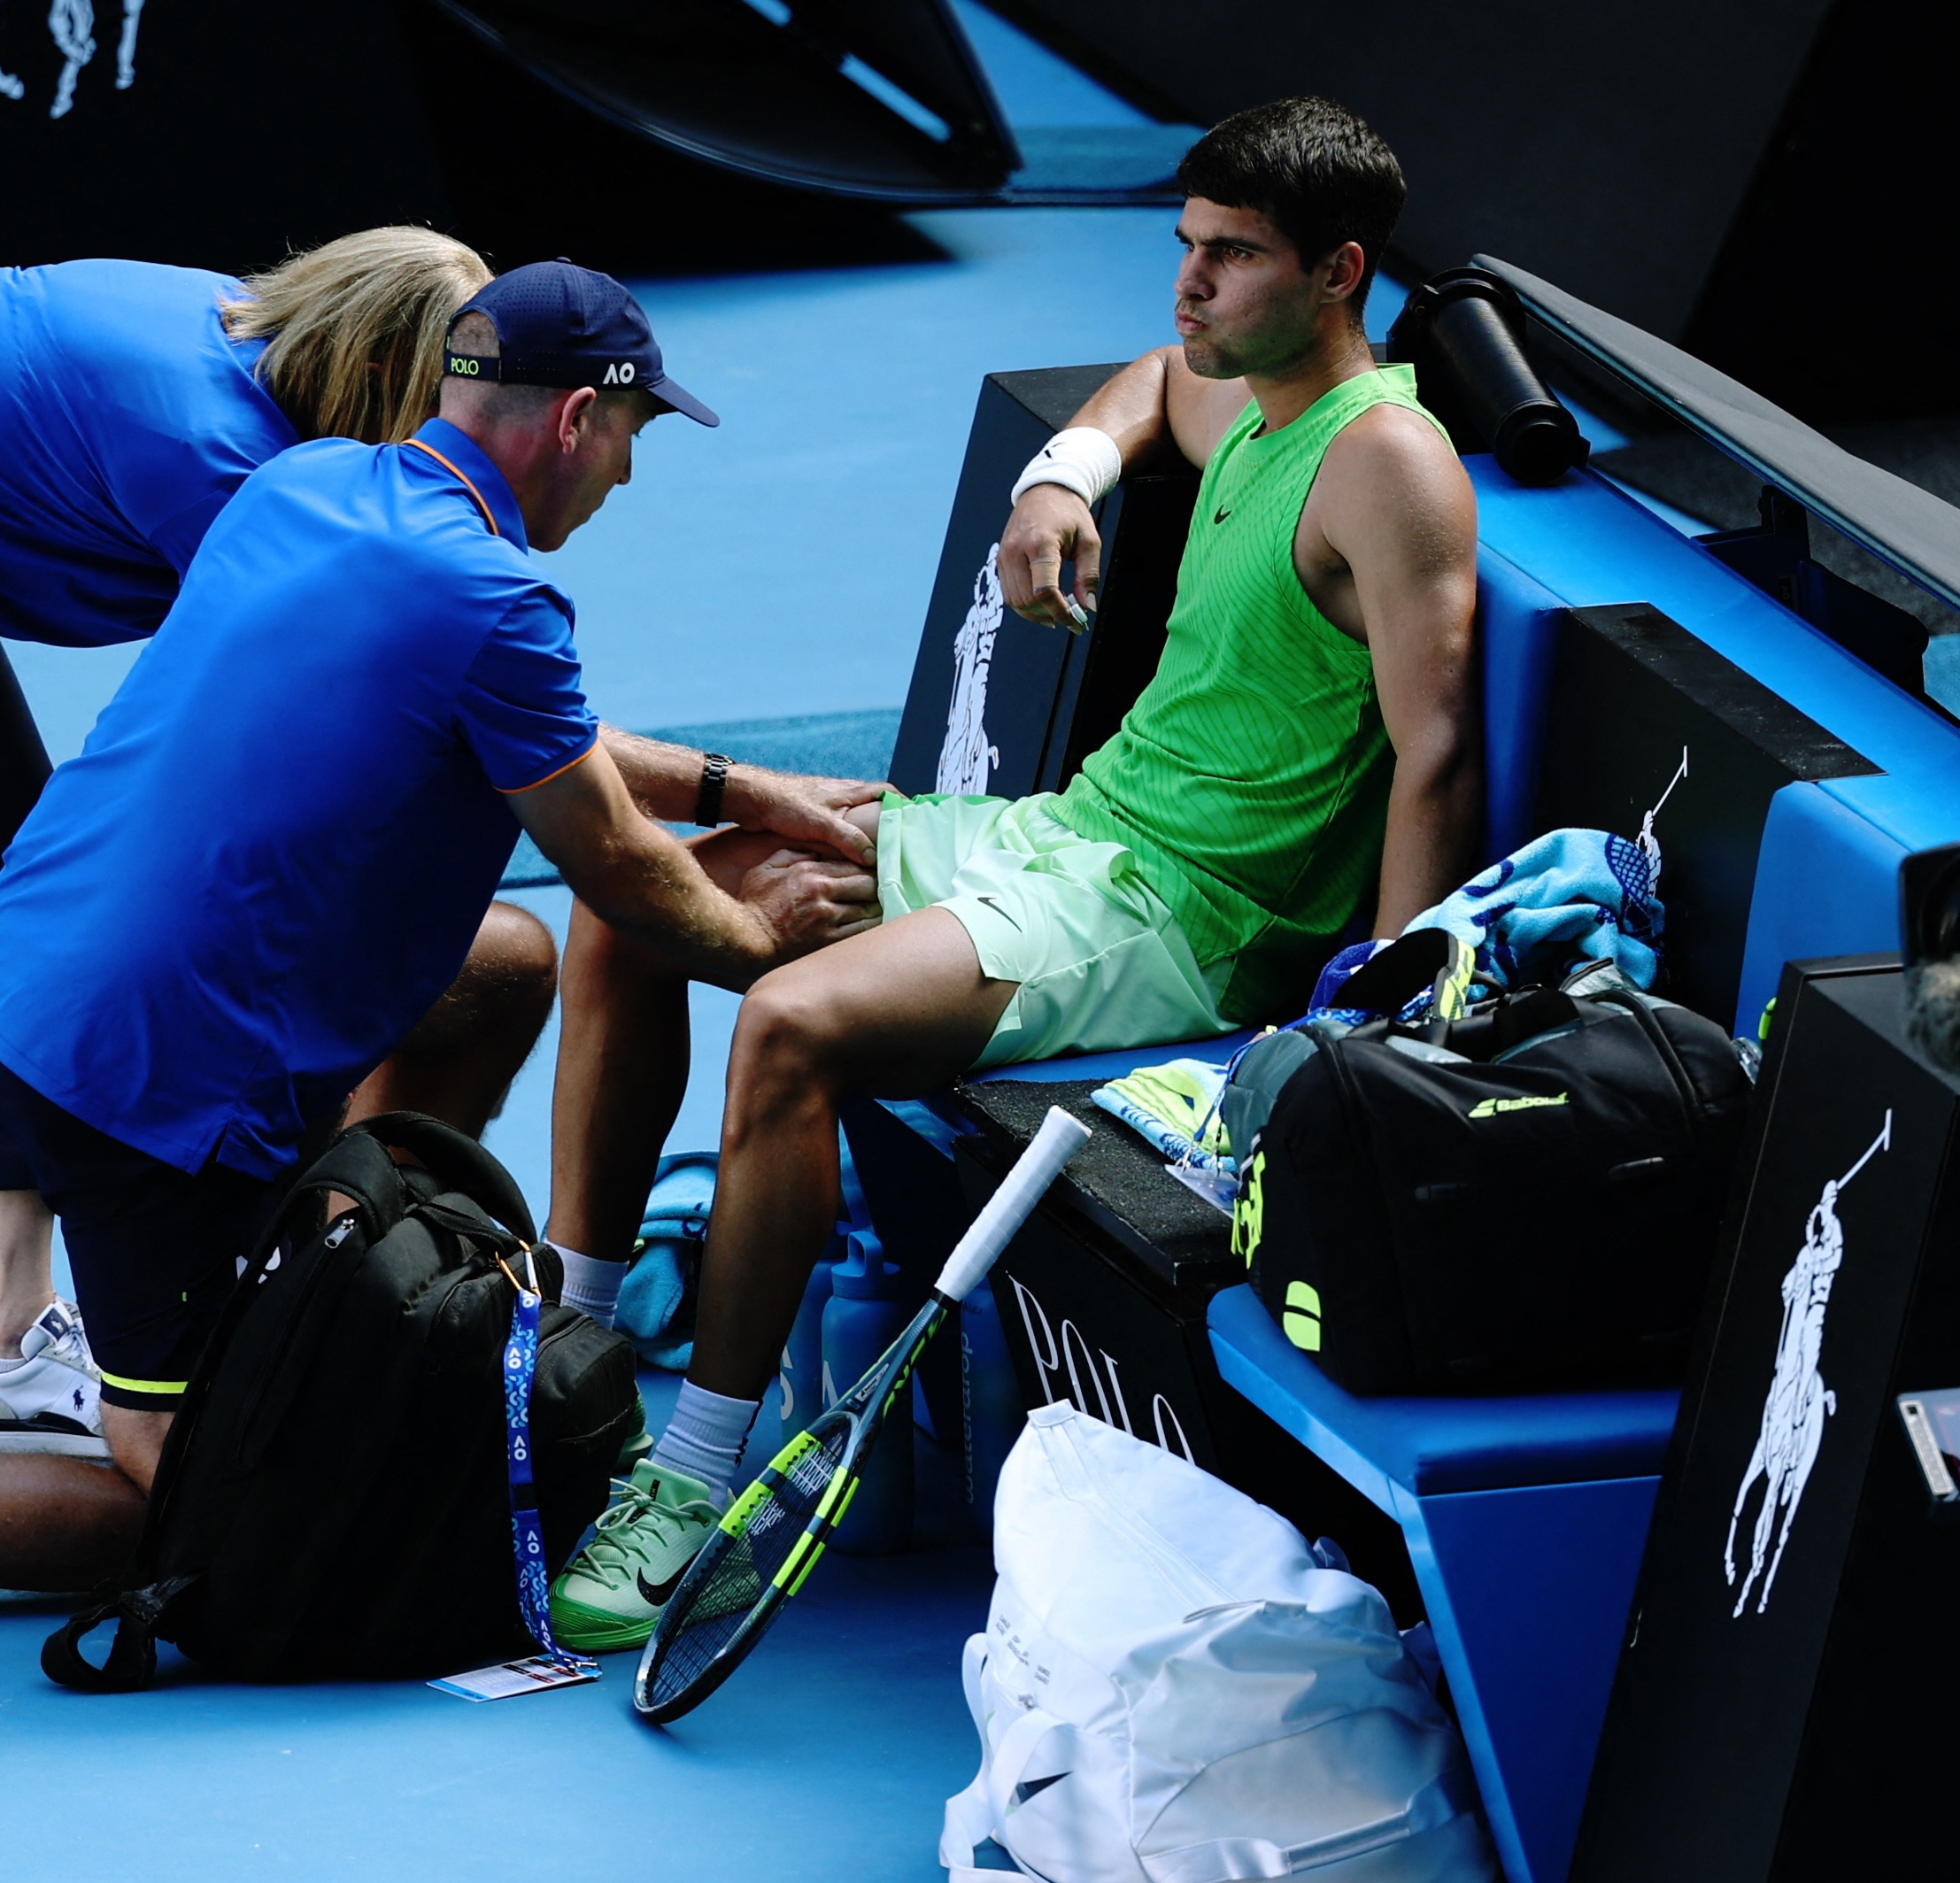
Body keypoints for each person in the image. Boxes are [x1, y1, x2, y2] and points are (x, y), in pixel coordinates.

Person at [0, 260, 887, 1620]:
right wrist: (784, 962)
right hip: (148, 1077)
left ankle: (313, 1258)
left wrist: (746, 793)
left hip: (47, 976)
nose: (628, 479)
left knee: (500, 967)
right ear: (578, 419)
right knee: (199, 1509)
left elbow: (538, 751)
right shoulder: (492, 603)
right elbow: (624, 871)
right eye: (634, 439)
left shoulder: (300, 486)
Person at [537, 96, 1484, 1650]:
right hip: (1059, 841)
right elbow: (1147, 385)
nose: (1187, 287)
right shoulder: (1244, 392)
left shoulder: (1383, 465)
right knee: (626, 902)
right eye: (1181, 246)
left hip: (1172, 914)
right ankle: (572, 1343)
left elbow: (1434, 755)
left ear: (1340, 273)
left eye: (1230, 258)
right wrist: (1060, 473)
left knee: (790, 1026)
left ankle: (697, 1477)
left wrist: (1366, 1037)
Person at [0, 227, 516, 1462]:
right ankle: (11, 1341)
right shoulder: (219, 462)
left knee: (5, 865)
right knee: (25, 887)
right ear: (393, 372)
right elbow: (294, 702)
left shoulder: (250, 335)